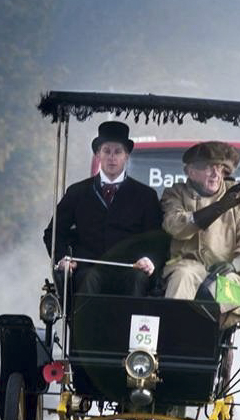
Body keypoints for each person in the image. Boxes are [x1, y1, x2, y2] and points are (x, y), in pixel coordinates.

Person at [43, 121, 163, 296]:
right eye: (106, 151)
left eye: (118, 152)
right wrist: (63, 259)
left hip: (130, 269)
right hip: (88, 268)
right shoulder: (78, 192)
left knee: (137, 280)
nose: (112, 157)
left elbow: (156, 239)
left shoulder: (145, 195)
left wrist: (149, 259)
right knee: (88, 279)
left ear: (126, 155)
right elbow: (53, 233)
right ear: (98, 154)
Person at [160, 141, 240, 303]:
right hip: (188, 266)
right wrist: (215, 209)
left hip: (229, 270)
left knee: (226, 288)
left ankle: (217, 321)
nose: (216, 174)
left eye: (220, 168)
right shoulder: (176, 194)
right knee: (182, 275)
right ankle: (172, 320)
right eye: (209, 168)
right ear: (191, 172)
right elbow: (175, 226)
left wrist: (236, 264)